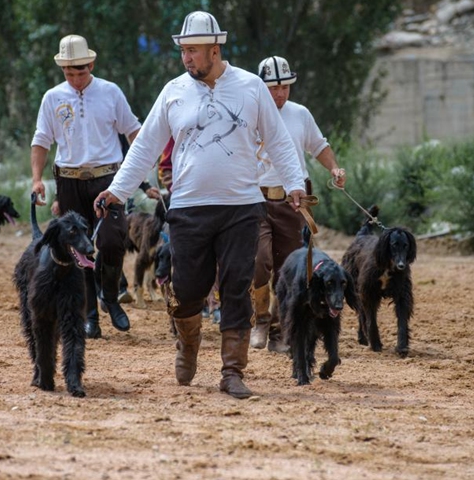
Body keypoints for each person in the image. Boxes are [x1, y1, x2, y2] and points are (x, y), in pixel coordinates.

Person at [94, 11, 307, 399]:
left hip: (242, 205)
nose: (186, 58)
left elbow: (277, 139)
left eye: (193, 51)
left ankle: (232, 371)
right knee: (188, 289)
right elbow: (145, 147)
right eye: (183, 51)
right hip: (190, 207)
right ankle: (188, 344)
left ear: (215, 49)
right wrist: (117, 191)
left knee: (236, 287)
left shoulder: (250, 86)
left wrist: (294, 183)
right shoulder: (173, 91)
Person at [30, 34, 141, 339]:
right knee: (79, 250)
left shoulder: (110, 92)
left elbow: (134, 132)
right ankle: (90, 314)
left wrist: (139, 173)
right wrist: (37, 178)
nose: (76, 79)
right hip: (68, 181)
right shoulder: (52, 97)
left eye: (81, 72)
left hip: (108, 178)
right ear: (62, 70)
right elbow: (41, 140)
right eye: (69, 73)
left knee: (112, 241)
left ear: (91, 64)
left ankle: (110, 296)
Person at [251, 55, 347, 352]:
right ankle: (260, 320)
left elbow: (318, 146)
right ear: (260, 87)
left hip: (295, 201)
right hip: (256, 198)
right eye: (273, 88)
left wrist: (334, 168)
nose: (280, 94)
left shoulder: (300, 114)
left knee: (288, 267)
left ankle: (282, 329)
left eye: (285, 87)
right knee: (258, 260)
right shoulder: (248, 114)